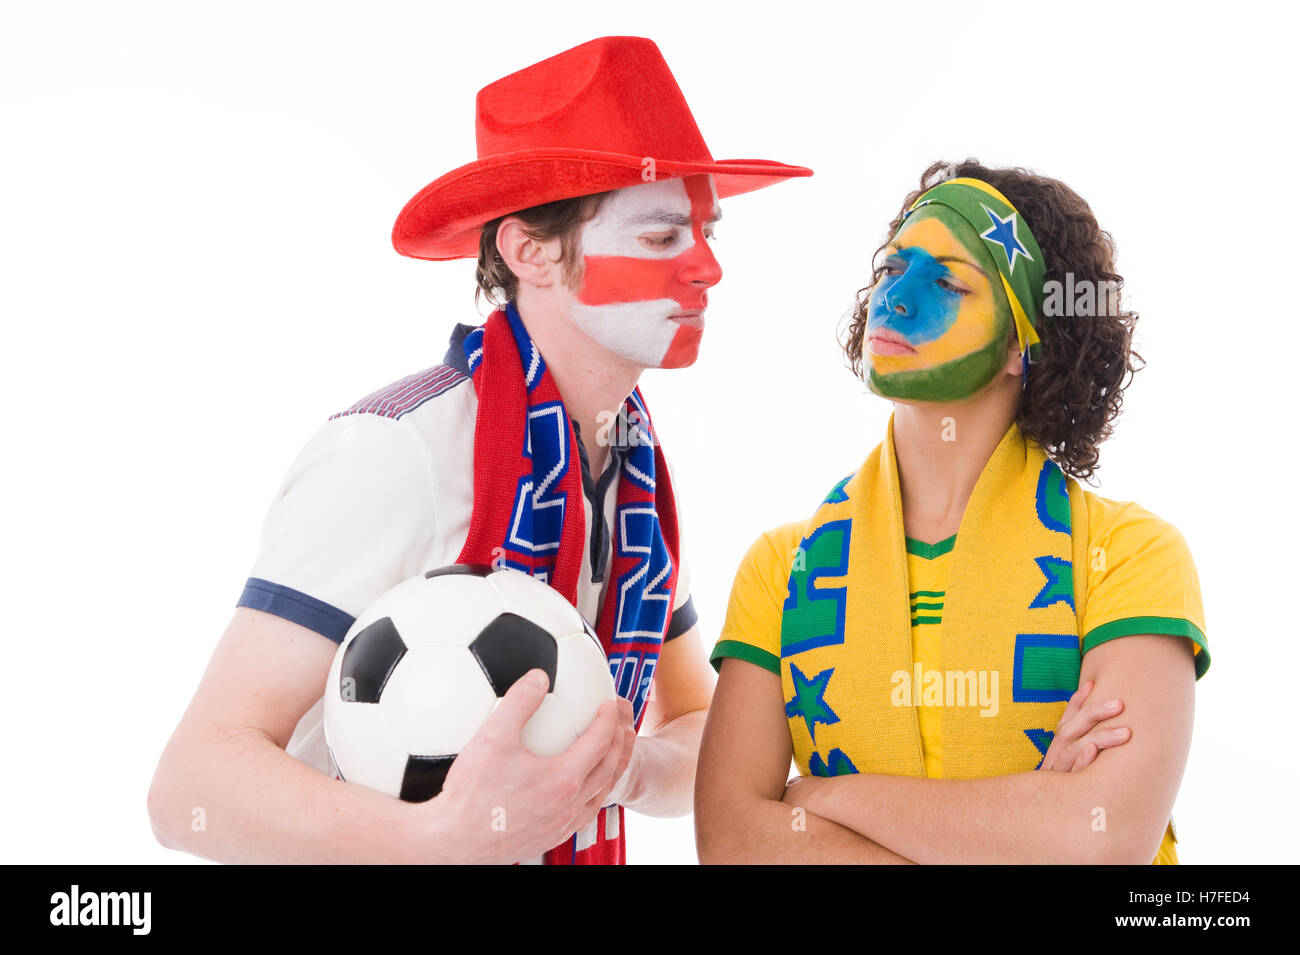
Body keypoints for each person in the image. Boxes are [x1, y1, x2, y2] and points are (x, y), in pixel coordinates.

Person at [147, 35, 810, 865]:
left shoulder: (631, 463)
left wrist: (623, 767)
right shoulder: (394, 450)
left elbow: (695, 724)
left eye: (706, 231)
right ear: (529, 250)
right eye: (660, 236)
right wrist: (436, 838)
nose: (707, 267)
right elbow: (190, 788)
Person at [696, 160, 1208, 864]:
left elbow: (1101, 837)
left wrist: (821, 797)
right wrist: (1019, 824)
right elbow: (730, 843)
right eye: (892, 269)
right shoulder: (780, 569)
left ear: (1017, 344)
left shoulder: (1131, 554)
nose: (894, 300)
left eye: (947, 282)